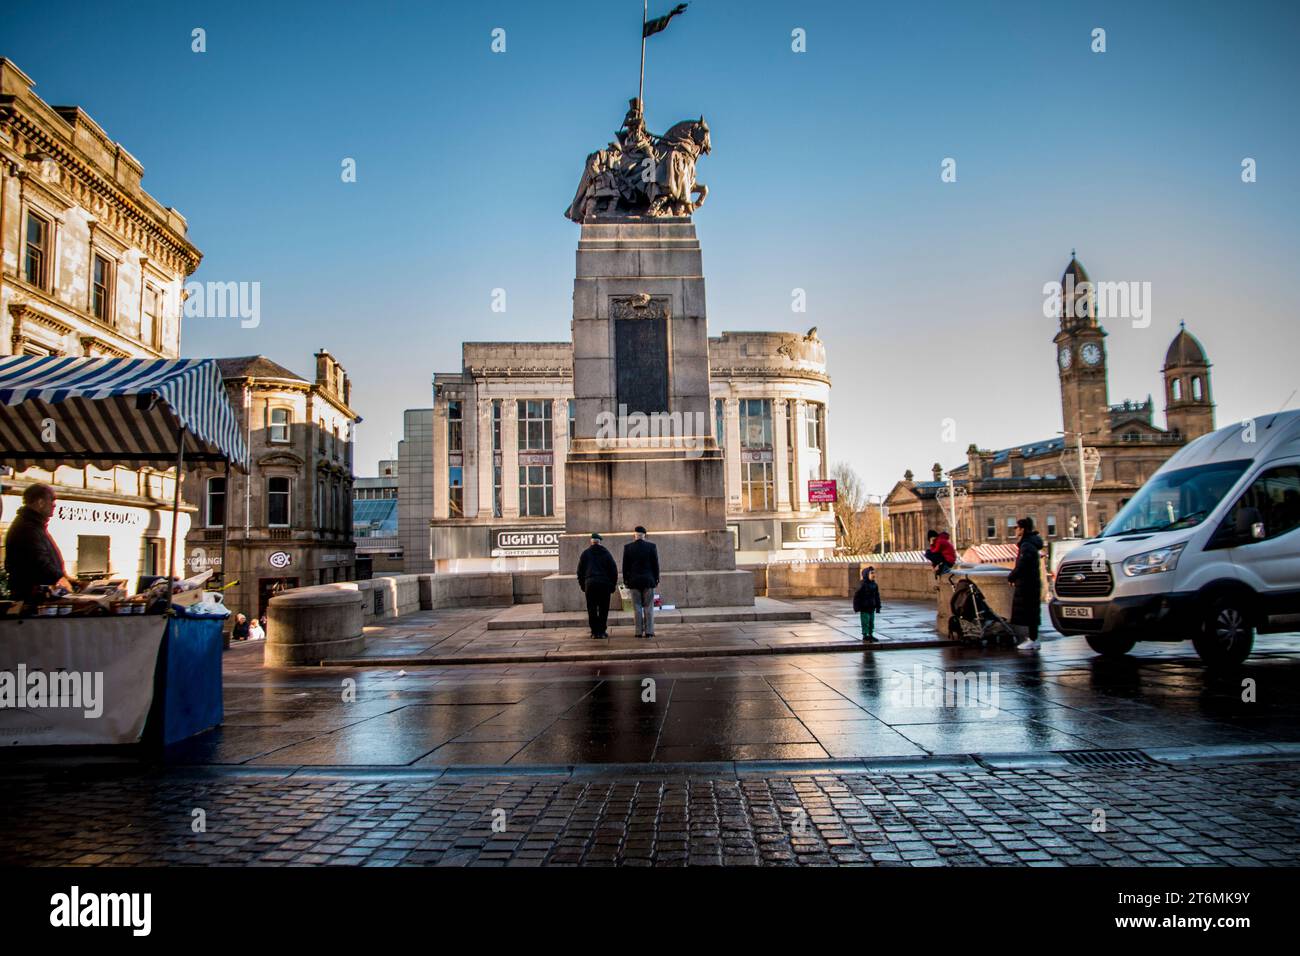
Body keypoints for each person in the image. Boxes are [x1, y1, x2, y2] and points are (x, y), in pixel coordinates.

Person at [3, 483, 72, 607]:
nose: (54, 504)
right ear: (40, 502)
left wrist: (65, 576)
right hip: (33, 599)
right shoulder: (27, 528)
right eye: (52, 499)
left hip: (35, 595)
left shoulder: (33, 525)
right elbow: (39, 562)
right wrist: (60, 578)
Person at [1008, 516, 1045, 650]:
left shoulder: (1027, 545)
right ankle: (1033, 639)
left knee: (1030, 612)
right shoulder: (1029, 543)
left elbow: (1023, 565)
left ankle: (1033, 639)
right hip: (1031, 582)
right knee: (1032, 611)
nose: (1015, 530)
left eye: (1016, 527)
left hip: (1028, 583)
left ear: (1022, 529)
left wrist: (1011, 577)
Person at [576, 532, 618, 639]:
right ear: (599, 542)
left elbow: (580, 571)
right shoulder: (606, 553)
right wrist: (612, 585)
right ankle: (602, 631)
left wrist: (583, 585)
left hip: (590, 584)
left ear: (591, 542)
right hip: (604, 584)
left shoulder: (585, 553)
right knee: (604, 608)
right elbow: (613, 570)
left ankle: (594, 632)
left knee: (592, 608)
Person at [621, 525, 660, 639]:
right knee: (649, 606)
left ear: (635, 535)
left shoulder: (628, 547)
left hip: (634, 581)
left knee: (636, 607)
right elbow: (655, 565)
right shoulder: (651, 546)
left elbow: (625, 566)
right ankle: (649, 632)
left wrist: (626, 580)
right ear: (644, 535)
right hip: (648, 580)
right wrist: (656, 578)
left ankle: (638, 632)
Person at [852, 566, 883, 642]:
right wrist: (856, 607)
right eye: (871, 573)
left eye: (874, 573)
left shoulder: (874, 585)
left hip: (872, 607)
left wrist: (878, 606)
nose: (873, 575)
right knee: (865, 622)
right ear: (866, 574)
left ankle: (870, 634)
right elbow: (856, 596)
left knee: (871, 622)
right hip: (864, 607)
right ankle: (865, 635)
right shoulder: (862, 584)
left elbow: (877, 596)